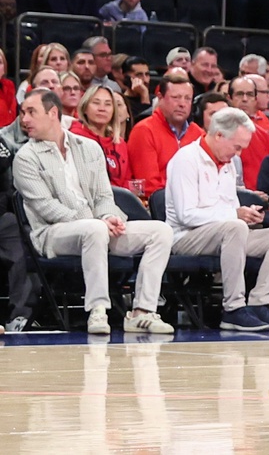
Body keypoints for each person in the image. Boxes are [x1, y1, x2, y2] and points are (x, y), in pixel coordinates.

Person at [14, 89, 175, 335]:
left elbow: (103, 197)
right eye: (23, 112)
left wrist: (110, 217)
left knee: (161, 231)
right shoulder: (25, 157)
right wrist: (97, 220)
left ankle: (143, 312)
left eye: (31, 112)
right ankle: (98, 310)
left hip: (96, 227)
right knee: (95, 229)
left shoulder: (88, 148)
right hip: (51, 234)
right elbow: (46, 207)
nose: (24, 119)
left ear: (53, 113)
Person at [165, 107, 269, 332]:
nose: (238, 154)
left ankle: (260, 303)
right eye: (237, 147)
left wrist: (247, 214)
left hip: (226, 233)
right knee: (234, 227)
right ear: (218, 135)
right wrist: (235, 216)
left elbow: (230, 208)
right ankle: (233, 308)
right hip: (185, 237)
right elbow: (185, 214)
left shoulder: (228, 164)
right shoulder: (186, 160)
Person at [127, 74, 204, 196]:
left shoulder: (199, 134)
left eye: (187, 98)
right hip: (159, 206)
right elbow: (149, 185)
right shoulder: (144, 131)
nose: (182, 104)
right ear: (160, 98)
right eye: (176, 97)